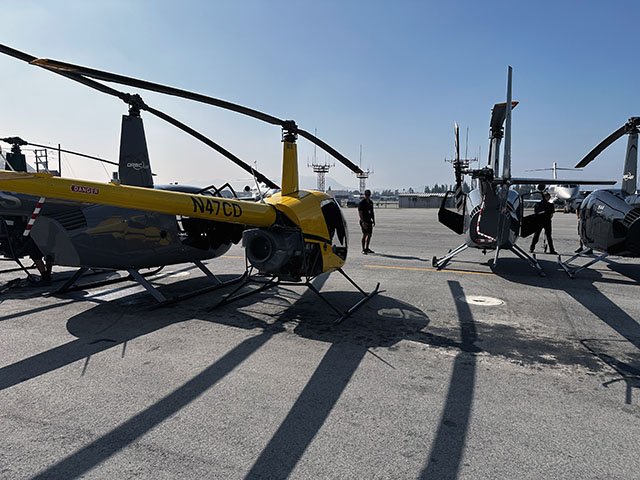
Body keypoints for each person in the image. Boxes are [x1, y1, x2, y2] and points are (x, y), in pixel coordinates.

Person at [358, 189, 375, 254]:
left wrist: (373, 220)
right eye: (367, 195)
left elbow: (372, 212)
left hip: (369, 220)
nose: (368, 196)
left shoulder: (370, 202)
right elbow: (360, 213)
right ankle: (363, 249)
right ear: (365, 195)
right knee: (365, 234)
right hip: (364, 221)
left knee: (369, 235)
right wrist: (363, 222)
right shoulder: (362, 203)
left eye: (368, 195)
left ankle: (367, 248)